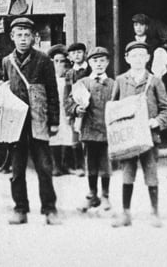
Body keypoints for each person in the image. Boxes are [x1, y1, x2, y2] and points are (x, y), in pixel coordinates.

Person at [2, 17, 61, 225]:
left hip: (39, 120)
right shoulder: (7, 61)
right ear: (12, 37)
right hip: (16, 123)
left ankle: (49, 209)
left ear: (34, 37)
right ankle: (20, 208)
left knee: (44, 167)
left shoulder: (44, 60)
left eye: (27, 35)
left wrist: (54, 120)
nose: (23, 39)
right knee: (16, 170)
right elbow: (5, 91)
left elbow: (53, 92)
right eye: (19, 35)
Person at [110, 42, 167, 228]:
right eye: (133, 56)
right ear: (127, 58)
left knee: (151, 173)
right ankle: (126, 213)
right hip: (128, 137)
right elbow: (113, 109)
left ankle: (154, 212)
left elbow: (166, 110)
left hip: (149, 137)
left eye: (141, 55)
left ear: (148, 58)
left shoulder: (154, 81)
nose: (137, 59)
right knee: (127, 174)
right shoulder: (121, 80)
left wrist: (157, 122)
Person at [66, 46, 114, 212]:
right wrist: (76, 109)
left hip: (107, 130)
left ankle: (105, 195)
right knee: (90, 162)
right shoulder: (83, 83)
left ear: (107, 62)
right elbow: (69, 103)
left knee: (105, 163)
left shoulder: (114, 85)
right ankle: (92, 194)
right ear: (89, 62)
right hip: (89, 129)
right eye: (95, 61)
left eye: (102, 61)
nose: (99, 64)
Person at [65, 42, 92, 176]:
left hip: (91, 109)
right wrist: (70, 109)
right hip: (76, 110)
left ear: (85, 54)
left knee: (90, 138)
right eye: (73, 53)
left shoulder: (91, 70)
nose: (77, 55)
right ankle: (79, 166)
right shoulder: (69, 73)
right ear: (69, 56)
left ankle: (91, 165)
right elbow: (67, 93)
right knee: (76, 138)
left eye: (79, 52)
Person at [47, 45, 74, 176]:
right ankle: (56, 166)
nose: (59, 64)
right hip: (54, 111)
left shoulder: (69, 78)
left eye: (62, 61)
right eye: (55, 61)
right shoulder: (48, 78)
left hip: (66, 111)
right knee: (54, 137)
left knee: (68, 135)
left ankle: (66, 165)